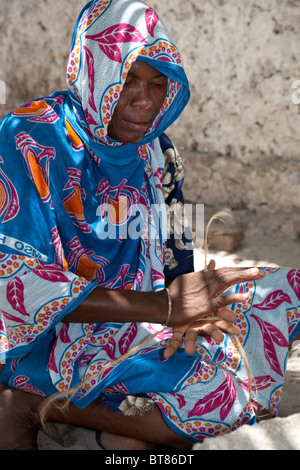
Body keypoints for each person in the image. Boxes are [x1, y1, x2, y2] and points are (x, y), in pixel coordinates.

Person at [0, 0, 299, 451]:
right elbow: (16, 284)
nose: (145, 101)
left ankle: (106, 416)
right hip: (44, 339)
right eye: (127, 82)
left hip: (144, 316)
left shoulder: (158, 153)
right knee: (212, 402)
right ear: (94, 73)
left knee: (286, 289)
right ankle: (37, 402)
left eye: (159, 84)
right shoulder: (28, 139)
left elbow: (177, 263)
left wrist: (194, 313)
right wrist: (161, 307)